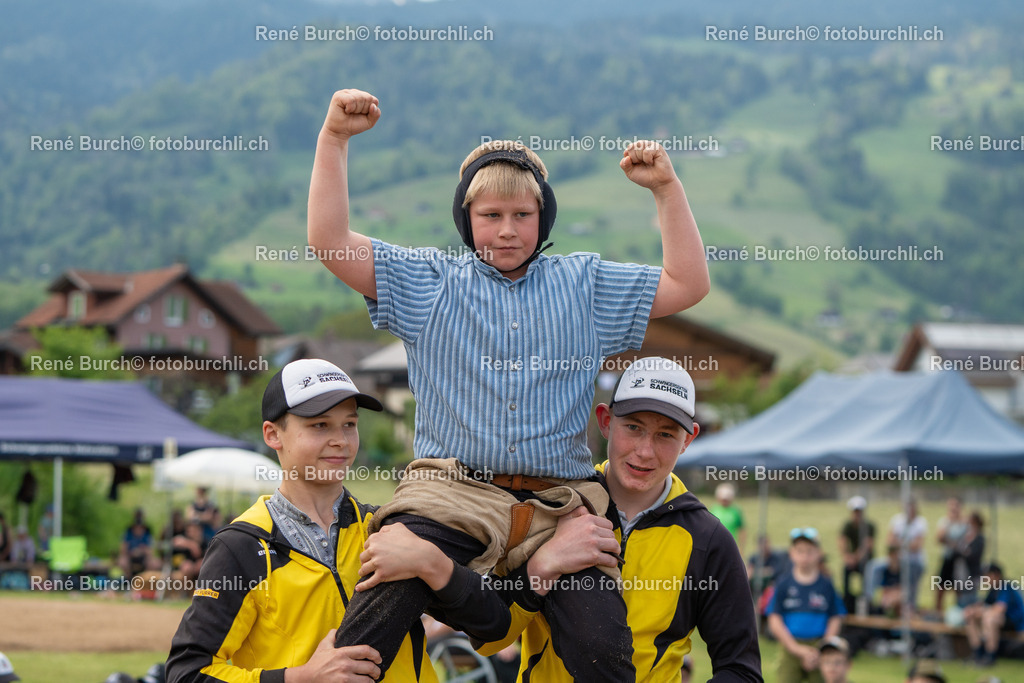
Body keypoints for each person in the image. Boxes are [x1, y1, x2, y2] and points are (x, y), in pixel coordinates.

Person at [308, 87, 710, 680]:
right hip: (449, 497)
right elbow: (330, 243)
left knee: (604, 650)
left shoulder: (584, 285)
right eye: (489, 215)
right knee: (374, 613)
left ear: (542, 219)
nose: (506, 231)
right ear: (466, 219)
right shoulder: (429, 282)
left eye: (522, 215)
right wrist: (335, 138)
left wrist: (666, 190)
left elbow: (688, 282)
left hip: (560, 504)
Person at [357, 357, 763, 681]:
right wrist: (542, 567)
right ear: (605, 421)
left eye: (665, 435)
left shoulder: (708, 539)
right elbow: (490, 637)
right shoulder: (548, 503)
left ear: (690, 438)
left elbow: (741, 670)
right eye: (633, 427)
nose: (644, 451)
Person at [166, 358, 458, 682]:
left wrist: (437, 565)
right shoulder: (240, 547)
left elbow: (490, 627)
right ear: (273, 434)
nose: (341, 441)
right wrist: (300, 677)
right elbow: (187, 672)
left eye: (349, 424)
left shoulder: (387, 527)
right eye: (320, 425)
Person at [767, 528, 845, 683]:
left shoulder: (826, 585)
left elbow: (836, 617)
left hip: (819, 648)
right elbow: (774, 619)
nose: (804, 556)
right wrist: (795, 648)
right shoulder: (783, 584)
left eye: (810, 551)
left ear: (818, 553)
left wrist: (823, 646)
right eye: (800, 551)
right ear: (792, 553)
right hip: (790, 646)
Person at [865, 499, 927, 611]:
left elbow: (917, 545)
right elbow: (889, 541)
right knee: (873, 566)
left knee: (911, 573)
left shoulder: (920, 522)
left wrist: (900, 543)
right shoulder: (897, 520)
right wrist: (905, 545)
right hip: (896, 559)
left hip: (913, 561)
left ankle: (910, 605)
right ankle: (869, 599)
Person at [963, 562, 1024, 667]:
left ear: (996, 575)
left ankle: (990, 656)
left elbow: (999, 608)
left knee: (989, 618)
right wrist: (972, 610)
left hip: (1016, 623)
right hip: (1003, 621)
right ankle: (977, 654)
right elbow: (985, 604)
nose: (985, 579)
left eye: (987, 576)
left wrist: (981, 611)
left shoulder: (1006, 587)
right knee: (971, 617)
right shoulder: (993, 589)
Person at [839, 495, 875, 614]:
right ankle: (847, 601)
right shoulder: (847, 526)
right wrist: (847, 557)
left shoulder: (869, 526)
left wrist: (856, 557)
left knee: (866, 574)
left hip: (866, 560)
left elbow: (867, 545)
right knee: (846, 571)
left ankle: (866, 601)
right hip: (853, 559)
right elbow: (842, 541)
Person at [934, 496, 967, 612]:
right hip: (947, 558)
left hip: (959, 560)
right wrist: (949, 523)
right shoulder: (945, 522)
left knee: (959, 588)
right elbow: (939, 538)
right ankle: (938, 611)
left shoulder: (965, 522)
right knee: (940, 587)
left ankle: (959, 611)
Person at [955, 511, 986, 607]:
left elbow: (973, 555)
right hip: (962, 573)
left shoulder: (980, 539)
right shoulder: (965, 536)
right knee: (961, 597)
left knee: (970, 597)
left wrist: (964, 551)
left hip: (972, 574)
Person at [710, 482, 747, 554]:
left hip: (732, 546)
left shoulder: (736, 511)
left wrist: (741, 547)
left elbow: (741, 530)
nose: (725, 501)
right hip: (716, 546)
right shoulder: (713, 510)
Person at [119, 508, 154, 578]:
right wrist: (130, 552)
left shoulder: (147, 533)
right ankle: (128, 580)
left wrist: (142, 551)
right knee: (122, 562)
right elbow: (123, 548)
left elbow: (150, 551)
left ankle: (145, 581)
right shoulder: (128, 532)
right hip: (130, 556)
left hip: (143, 558)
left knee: (152, 563)